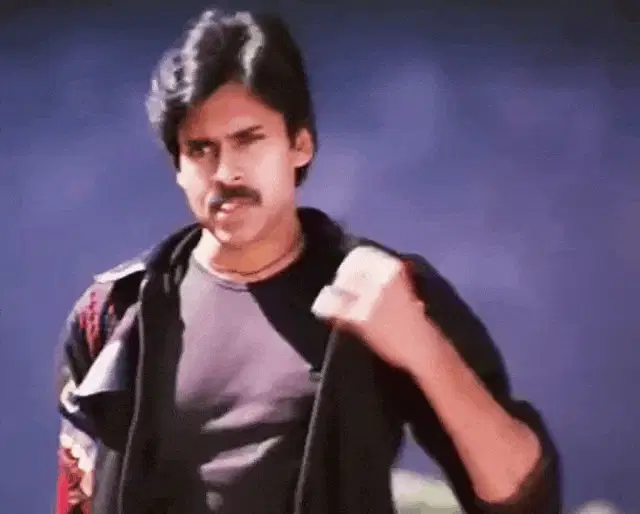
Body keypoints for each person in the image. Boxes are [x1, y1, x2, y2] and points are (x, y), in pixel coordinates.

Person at [55, 8, 561, 514]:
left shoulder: (383, 290)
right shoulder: (116, 314)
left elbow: (524, 497)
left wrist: (421, 346)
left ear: (299, 145)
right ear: (178, 167)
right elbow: (77, 498)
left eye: (248, 140)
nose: (225, 171)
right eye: (201, 149)